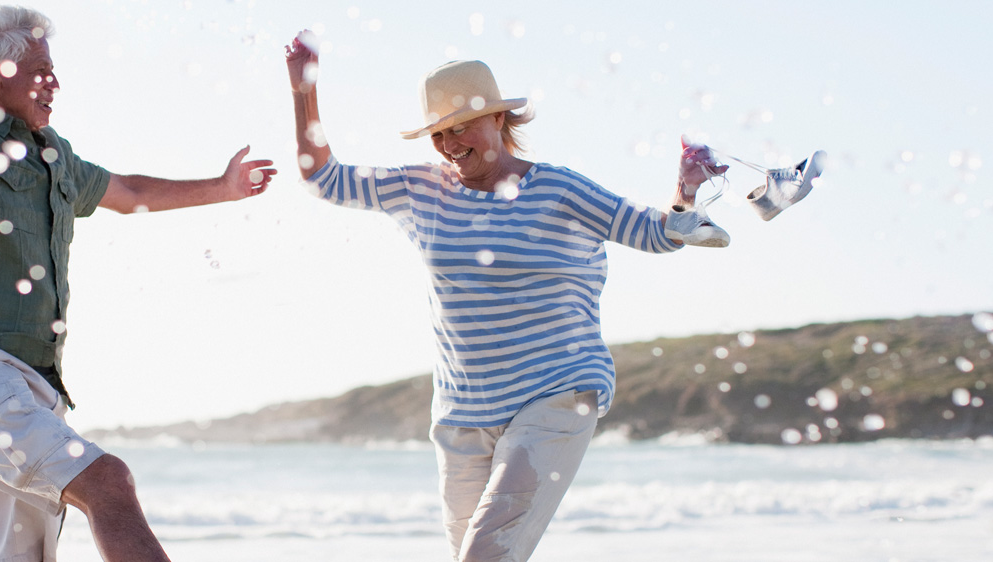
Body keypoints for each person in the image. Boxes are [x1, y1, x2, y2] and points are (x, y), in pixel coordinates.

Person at [284, 32, 725, 561]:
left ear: (498, 119)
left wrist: (685, 191)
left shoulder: (559, 190)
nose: (449, 145)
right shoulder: (421, 189)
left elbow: (655, 234)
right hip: (462, 416)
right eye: (439, 134)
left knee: (484, 557)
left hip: (556, 394)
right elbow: (323, 179)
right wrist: (301, 90)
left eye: (461, 126)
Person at [0, 6, 275, 562]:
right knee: (107, 483)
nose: (54, 82)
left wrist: (222, 188)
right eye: (38, 68)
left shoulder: (54, 158)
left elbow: (126, 191)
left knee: (22, 557)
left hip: (29, 386)